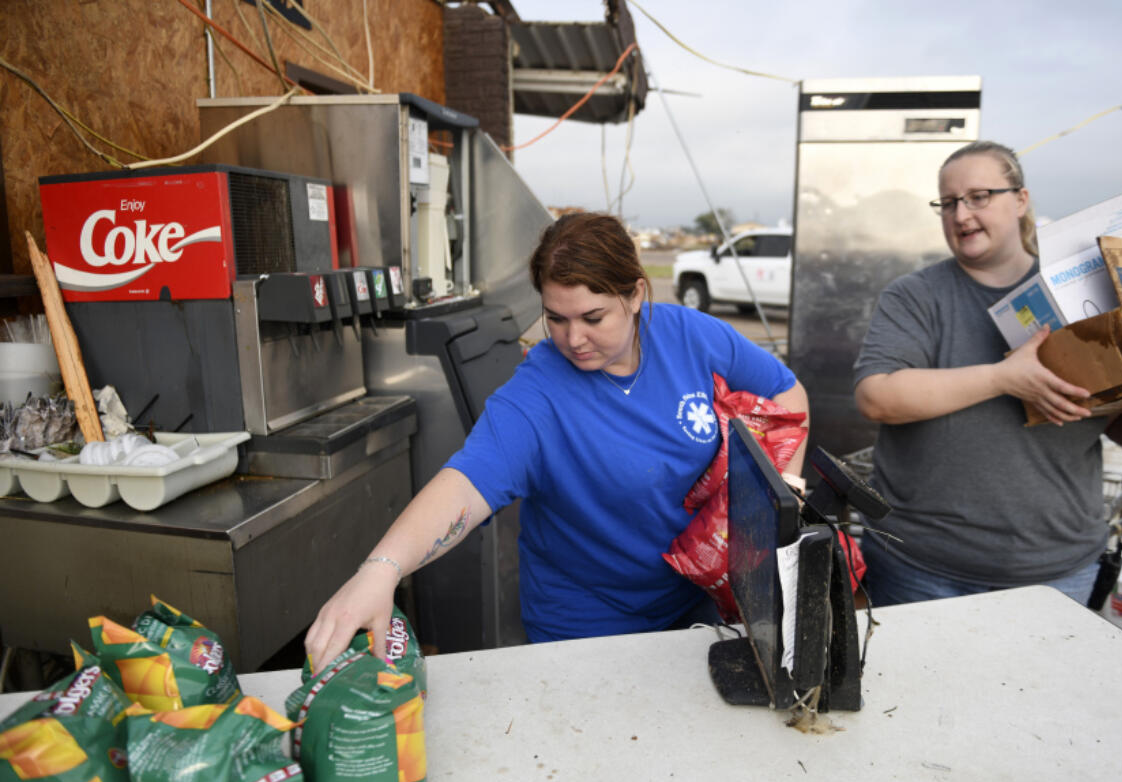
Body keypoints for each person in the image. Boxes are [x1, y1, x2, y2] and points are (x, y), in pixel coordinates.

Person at [306, 211, 809, 667]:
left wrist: (781, 485)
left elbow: (787, 392)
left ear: (634, 296)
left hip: (694, 601)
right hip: (586, 625)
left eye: (593, 318)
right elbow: (465, 483)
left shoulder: (691, 336)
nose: (573, 339)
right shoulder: (538, 394)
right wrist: (382, 569)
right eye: (556, 319)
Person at [852, 140, 1122, 607]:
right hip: (919, 566)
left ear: (1021, 200)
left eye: (979, 196)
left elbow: (1115, 417)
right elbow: (877, 398)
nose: (961, 215)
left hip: (1055, 570)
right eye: (948, 202)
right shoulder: (915, 296)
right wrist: (1003, 378)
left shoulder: (1087, 288)